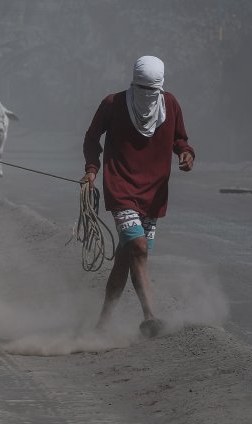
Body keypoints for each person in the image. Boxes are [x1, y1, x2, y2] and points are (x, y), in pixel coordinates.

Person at [82, 56, 195, 338]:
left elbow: (181, 140)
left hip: (153, 193)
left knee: (129, 256)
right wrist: (92, 169)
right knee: (140, 249)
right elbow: (91, 138)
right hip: (120, 186)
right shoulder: (113, 104)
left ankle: (103, 324)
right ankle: (151, 317)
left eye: (153, 91)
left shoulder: (170, 104)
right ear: (133, 83)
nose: (148, 96)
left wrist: (185, 153)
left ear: (161, 88)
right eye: (143, 89)